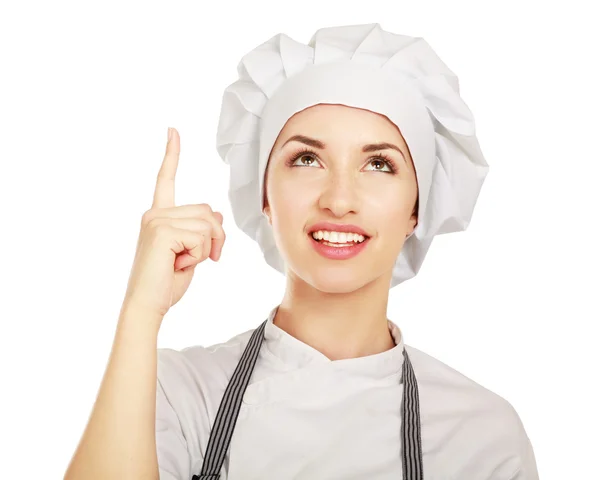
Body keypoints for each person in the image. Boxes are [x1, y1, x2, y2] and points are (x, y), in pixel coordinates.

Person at [63, 24, 539, 480]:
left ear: (418, 207)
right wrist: (141, 310)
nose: (339, 199)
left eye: (378, 164)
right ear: (264, 196)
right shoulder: (176, 391)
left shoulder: (482, 435)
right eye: (306, 159)